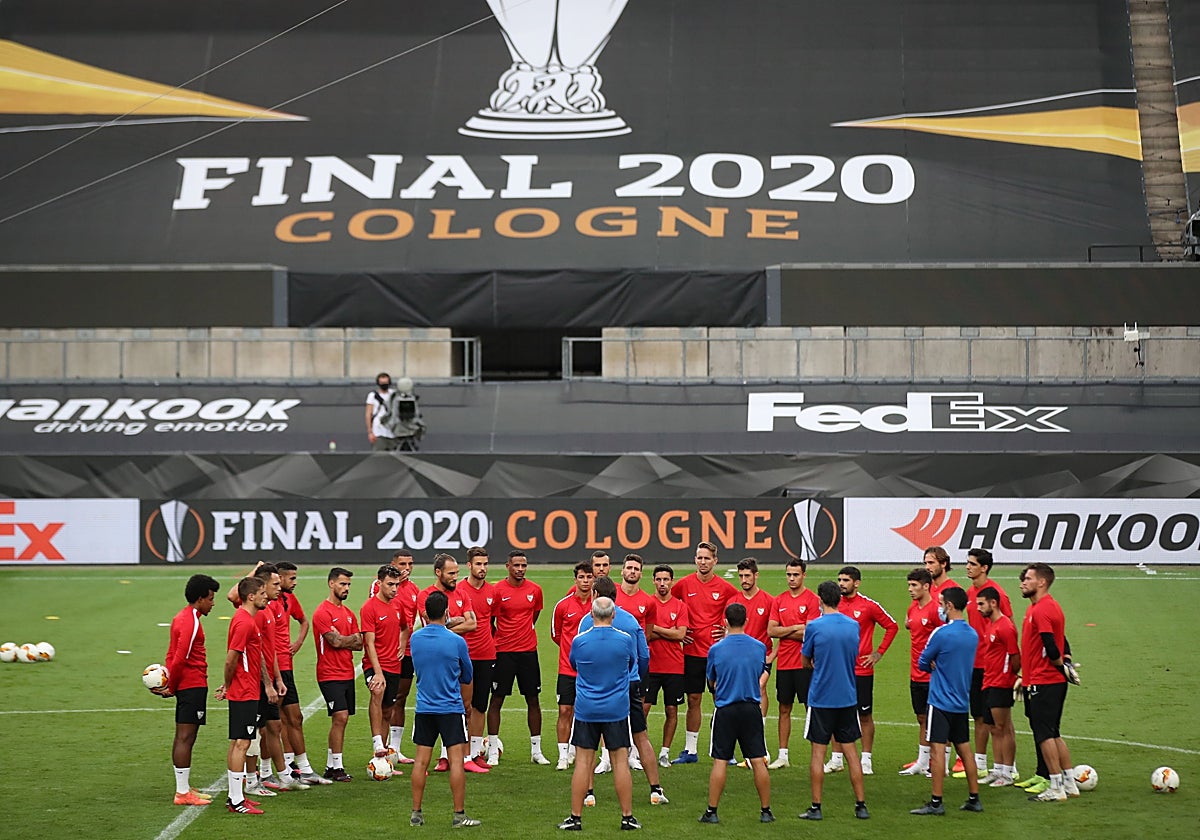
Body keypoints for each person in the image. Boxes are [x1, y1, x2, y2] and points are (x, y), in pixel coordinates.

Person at [581, 577, 667, 807]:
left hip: (596, 687)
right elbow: (644, 656)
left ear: (596, 594)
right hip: (628, 685)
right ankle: (655, 789)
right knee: (640, 735)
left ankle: (589, 793)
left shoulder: (585, 621)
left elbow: (579, 654)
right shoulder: (630, 620)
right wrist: (635, 677)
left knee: (591, 741)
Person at [557, 597, 640, 832]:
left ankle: (575, 817)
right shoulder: (624, 640)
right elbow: (631, 663)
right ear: (613, 615)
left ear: (591, 615)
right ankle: (627, 817)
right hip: (616, 709)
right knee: (620, 762)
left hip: (587, 709)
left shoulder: (580, 641)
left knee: (583, 762)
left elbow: (575, 666)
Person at [409, 590, 481, 828]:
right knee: (457, 762)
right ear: (447, 612)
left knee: (421, 762)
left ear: (426, 613)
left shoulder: (415, 639)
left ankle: (416, 814)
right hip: (450, 709)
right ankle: (459, 815)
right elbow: (468, 674)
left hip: (424, 708)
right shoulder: (456, 641)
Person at [799, 581, 870, 822]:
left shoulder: (814, 627)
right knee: (851, 753)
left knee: (818, 753)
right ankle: (861, 805)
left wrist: (815, 663)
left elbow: (805, 661)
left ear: (820, 599)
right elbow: (854, 654)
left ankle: (816, 806)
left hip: (821, 698)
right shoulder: (853, 625)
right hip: (847, 697)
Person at [697, 602, 774, 825]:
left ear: (725, 622)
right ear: (746, 621)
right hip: (751, 709)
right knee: (758, 760)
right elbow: (760, 672)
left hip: (726, 709)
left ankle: (712, 811)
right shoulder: (759, 647)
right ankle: (766, 811)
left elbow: (711, 680)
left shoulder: (716, 649)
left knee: (720, 761)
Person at [910, 586, 983, 816]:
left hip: (940, 701)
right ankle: (974, 798)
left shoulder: (941, 633)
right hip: (961, 702)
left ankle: (936, 802)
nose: (939, 607)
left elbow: (923, 662)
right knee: (965, 750)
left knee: (937, 751)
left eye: (941, 603)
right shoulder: (972, 634)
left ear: (949, 606)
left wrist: (934, 664)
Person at [823, 565, 898, 776]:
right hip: (838, 670)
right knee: (836, 713)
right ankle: (836, 759)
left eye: (846, 580)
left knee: (864, 715)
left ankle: (866, 759)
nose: (841, 584)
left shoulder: (868, 606)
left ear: (856, 583)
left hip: (861, 670)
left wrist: (878, 653)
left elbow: (892, 626)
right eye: (839, 580)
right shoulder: (832, 606)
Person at [1018, 563, 1081, 802]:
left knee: (1044, 734)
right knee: (1054, 733)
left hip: (1043, 681)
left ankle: (1055, 786)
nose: (1023, 582)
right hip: (1050, 681)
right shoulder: (1050, 606)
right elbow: (1061, 641)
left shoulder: (1041, 610)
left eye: (1029, 578)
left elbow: (1051, 645)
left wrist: (1058, 664)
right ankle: (1068, 782)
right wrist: (1065, 664)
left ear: (1041, 582)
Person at [670, 541, 737, 764]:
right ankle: (690, 750)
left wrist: (727, 631)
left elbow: (738, 608)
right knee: (693, 699)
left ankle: (726, 750)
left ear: (715, 561)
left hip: (718, 654)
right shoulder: (684, 584)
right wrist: (679, 628)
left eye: (707, 558)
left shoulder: (726, 588)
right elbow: (669, 604)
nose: (703, 561)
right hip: (691, 652)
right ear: (695, 559)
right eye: (699, 557)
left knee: (722, 700)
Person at [159, 573, 220, 806]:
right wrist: (171, 686)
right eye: (211, 598)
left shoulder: (180, 617)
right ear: (200, 598)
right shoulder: (192, 621)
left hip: (186, 684)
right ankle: (182, 793)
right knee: (186, 737)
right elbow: (181, 657)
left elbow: (171, 653)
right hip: (191, 685)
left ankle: (184, 787)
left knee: (183, 737)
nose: (213, 603)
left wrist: (168, 682)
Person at [487, 549, 549, 766]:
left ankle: (536, 750)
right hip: (503, 652)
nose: (520, 569)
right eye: (516, 565)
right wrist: (502, 638)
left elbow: (534, 615)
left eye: (524, 565)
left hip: (528, 652)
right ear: (508, 566)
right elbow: (490, 621)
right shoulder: (497, 591)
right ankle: (492, 750)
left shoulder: (535, 590)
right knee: (496, 700)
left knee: (533, 699)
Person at [418, 553, 479, 773]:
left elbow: (473, 624)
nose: (455, 577)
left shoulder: (462, 593)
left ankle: (463, 756)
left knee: (466, 707)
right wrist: (457, 621)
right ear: (438, 572)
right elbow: (431, 624)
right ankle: (442, 756)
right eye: (451, 573)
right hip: (435, 661)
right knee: (436, 708)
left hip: (457, 656)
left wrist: (448, 625)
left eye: (456, 572)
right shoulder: (425, 595)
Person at [219, 575, 272, 814]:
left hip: (245, 688)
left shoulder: (245, 619)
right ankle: (237, 801)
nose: (265, 597)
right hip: (245, 691)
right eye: (262, 593)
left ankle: (235, 796)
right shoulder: (245, 622)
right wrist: (228, 685)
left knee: (238, 742)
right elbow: (231, 658)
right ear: (251, 596)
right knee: (242, 743)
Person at [274, 561, 328, 786]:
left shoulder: (288, 600)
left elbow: (303, 621)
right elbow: (233, 595)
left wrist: (297, 643)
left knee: (294, 717)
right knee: (273, 722)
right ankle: (269, 770)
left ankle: (300, 767)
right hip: (272, 669)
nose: (295, 583)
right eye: (291, 579)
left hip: (286, 667)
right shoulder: (265, 603)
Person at [963, 548, 1014, 780]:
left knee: (1000, 720)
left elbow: (1009, 627)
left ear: (984, 567)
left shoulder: (997, 594)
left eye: (972, 564)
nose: (968, 567)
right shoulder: (969, 592)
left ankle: (1008, 768)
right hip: (975, 664)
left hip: (993, 665)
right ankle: (983, 765)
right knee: (981, 716)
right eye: (967, 563)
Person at [766, 558, 820, 769]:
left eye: (796, 574)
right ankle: (783, 755)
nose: (791, 578)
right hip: (785, 665)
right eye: (789, 574)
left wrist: (785, 630)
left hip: (806, 664)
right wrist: (796, 627)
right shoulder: (778, 600)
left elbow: (810, 633)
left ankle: (817, 753)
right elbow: (771, 631)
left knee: (811, 708)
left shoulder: (813, 600)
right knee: (783, 708)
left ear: (804, 575)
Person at [312, 567, 363, 781]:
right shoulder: (322, 612)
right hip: (329, 673)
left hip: (346, 672)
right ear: (331, 584)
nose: (346, 588)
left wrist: (345, 639)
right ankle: (336, 766)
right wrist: (346, 639)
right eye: (343, 584)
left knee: (342, 719)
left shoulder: (349, 613)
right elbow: (334, 641)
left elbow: (359, 643)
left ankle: (331, 765)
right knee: (339, 716)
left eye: (349, 584)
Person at [360, 564, 410, 771]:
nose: (394, 589)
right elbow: (369, 642)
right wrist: (377, 672)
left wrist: (402, 644)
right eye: (390, 584)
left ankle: (384, 758)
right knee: (377, 691)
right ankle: (377, 744)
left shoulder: (397, 606)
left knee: (388, 710)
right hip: (374, 664)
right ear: (379, 583)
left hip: (394, 665)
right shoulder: (369, 607)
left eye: (396, 585)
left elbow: (406, 627)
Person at [551, 562, 595, 770]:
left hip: (592, 670)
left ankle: (583, 751)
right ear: (575, 579)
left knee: (590, 711)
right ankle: (562, 755)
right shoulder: (563, 605)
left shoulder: (599, 606)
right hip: (567, 669)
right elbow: (556, 635)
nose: (585, 581)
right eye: (582, 577)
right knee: (565, 709)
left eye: (589, 577)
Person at [899, 567, 942, 777]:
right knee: (922, 718)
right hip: (915, 672)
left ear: (926, 586)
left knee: (939, 719)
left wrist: (939, 659)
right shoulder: (912, 609)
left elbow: (946, 634)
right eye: (909, 585)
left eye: (914, 585)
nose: (910, 589)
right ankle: (923, 762)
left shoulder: (937, 609)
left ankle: (939, 763)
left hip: (934, 675)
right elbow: (913, 627)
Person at [644, 564, 687, 768]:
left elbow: (680, 635)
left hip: (674, 666)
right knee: (643, 709)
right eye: (658, 579)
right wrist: (667, 631)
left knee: (672, 710)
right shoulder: (647, 603)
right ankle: (637, 750)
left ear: (672, 581)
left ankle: (664, 752)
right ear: (653, 581)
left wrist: (656, 629)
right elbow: (646, 634)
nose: (662, 583)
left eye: (666, 580)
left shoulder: (679, 606)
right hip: (650, 665)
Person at [976, 585, 1020, 786]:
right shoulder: (991, 625)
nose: (978, 608)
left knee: (1003, 727)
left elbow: (1015, 656)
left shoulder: (1005, 626)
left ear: (993, 603)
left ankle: (1008, 773)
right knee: (994, 727)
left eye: (981, 604)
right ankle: (998, 769)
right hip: (989, 681)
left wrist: (1013, 678)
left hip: (1001, 683)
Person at [461, 547, 497, 770]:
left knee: (480, 706)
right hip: (462, 655)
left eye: (485, 564)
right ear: (469, 566)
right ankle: (453, 752)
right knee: (460, 706)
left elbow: (495, 621)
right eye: (478, 564)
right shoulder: (458, 590)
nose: (482, 568)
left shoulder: (493, 592)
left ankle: (475, 753)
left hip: (486, 655)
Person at [734, 558, 775, 734]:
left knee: (759, 688)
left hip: (761, 657)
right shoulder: (733, 601)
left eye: (747, 576)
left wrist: (772, 656)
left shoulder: (769, 601)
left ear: (756, 575)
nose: (744, 580)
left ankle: (760, 731)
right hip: (738, 657)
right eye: (741, 576)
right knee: (740, 696)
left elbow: (779, 632)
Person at [390, 549, 422, 765]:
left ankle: (395, 749)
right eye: (402, 564)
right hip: (388, 653)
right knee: (386, 701)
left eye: (410, 564)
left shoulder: (414, 589)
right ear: (393, 564)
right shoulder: (381, 585)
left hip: (408, 652)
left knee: (400, 698)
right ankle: (381, 748)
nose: (407, 568)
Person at [366, 372, 399, 451]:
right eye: (382, 383)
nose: (384, 385)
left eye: (386, 383)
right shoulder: (373, 395)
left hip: (393, 431)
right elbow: (368, 414)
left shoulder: (394, 394)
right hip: (378, 431)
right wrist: (370, 432)